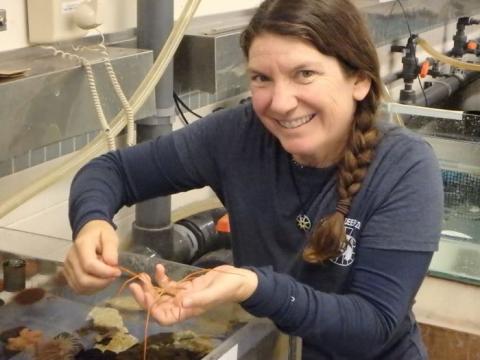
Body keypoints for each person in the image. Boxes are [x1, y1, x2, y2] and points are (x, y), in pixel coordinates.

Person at [63, 0, 444, 358]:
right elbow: (110, 172)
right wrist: (92, 221)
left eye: (305, 74)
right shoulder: (237, 135)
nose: (280, 102)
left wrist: (255, 286)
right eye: (262, 78)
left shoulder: (405, 167)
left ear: (358, 81)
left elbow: (372, 324)